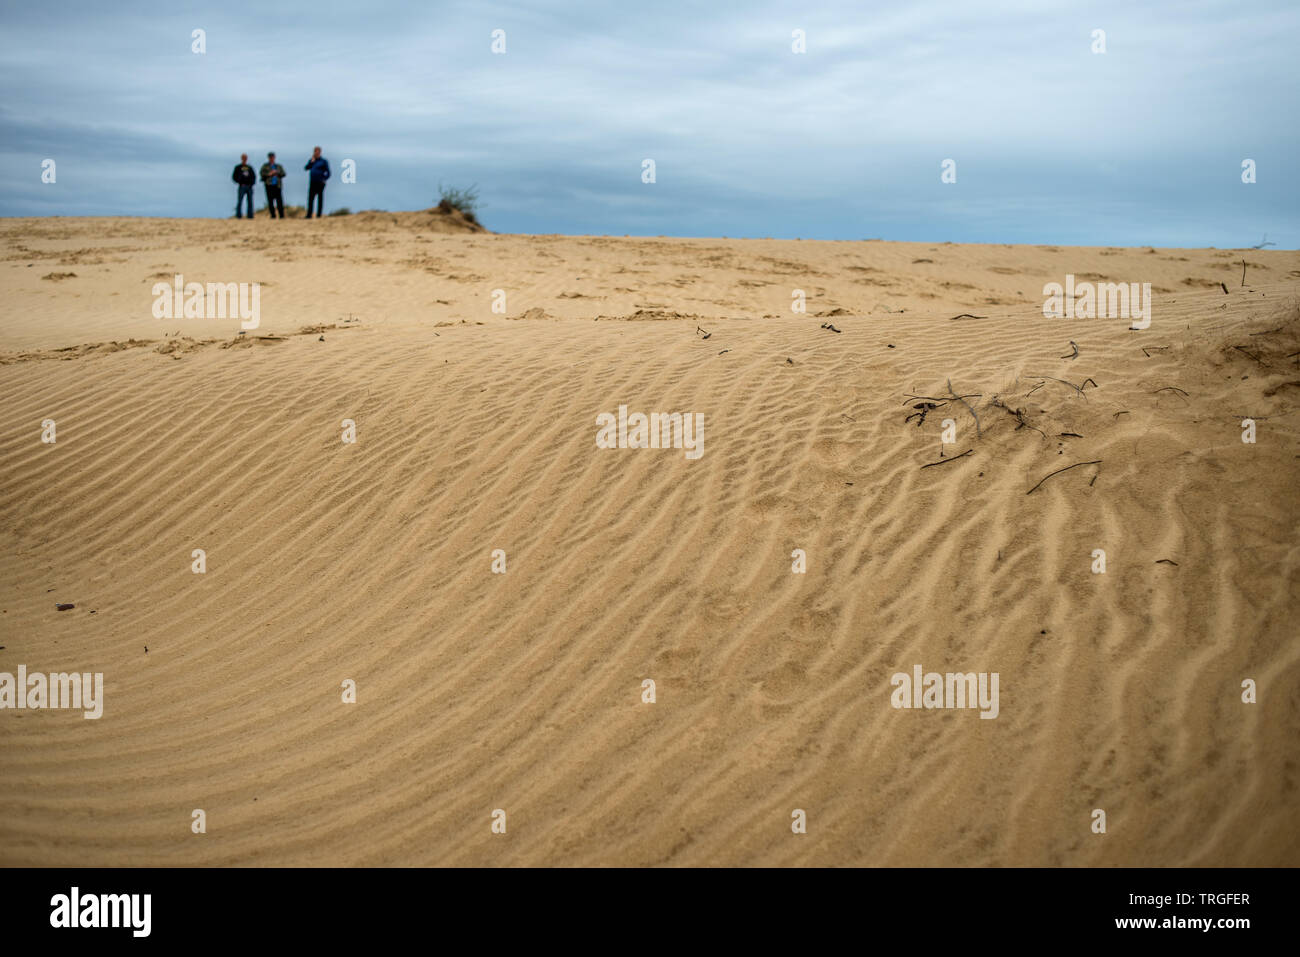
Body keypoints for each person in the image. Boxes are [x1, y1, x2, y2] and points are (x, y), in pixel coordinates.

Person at [303, 146, 330, 218]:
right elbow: (306, 168)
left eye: (317, 151)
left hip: (320, 182)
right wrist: (311, 162)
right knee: (310, 198)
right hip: (312, 182)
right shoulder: (312, 160)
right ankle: (309, 214)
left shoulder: (323, 161)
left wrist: (324, 179)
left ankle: (319, 215)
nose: (316, 152)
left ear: (320, 152)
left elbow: (328, 172)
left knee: (320, 198)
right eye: (315, 151)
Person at [260, 152, 287, 219]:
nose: (271, 158)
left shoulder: (278, 166)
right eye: (270, 157)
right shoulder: (265, 166)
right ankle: (273, 215)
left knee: (279, 201)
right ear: (268, 158)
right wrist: (269, 174)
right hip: (269, 185)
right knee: (270, 201)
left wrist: (277, 172)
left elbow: (284, 173)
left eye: (272, 157)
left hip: (277, 185)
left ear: (274, 157)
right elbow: (262, 173)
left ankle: (281, 215)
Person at [231, 154, 256, 218]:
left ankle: (250, 215)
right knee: (240, 201)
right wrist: (239, 182)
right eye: (243, 158)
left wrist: (251, 183)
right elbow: (234, 177)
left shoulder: (249, 168)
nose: (244, 159)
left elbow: (254, 176)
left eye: (245, 158)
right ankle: (238, 215)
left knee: (250, 201)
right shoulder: (238, 167)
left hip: (249, 187)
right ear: (241, 158)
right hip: (242, 186)